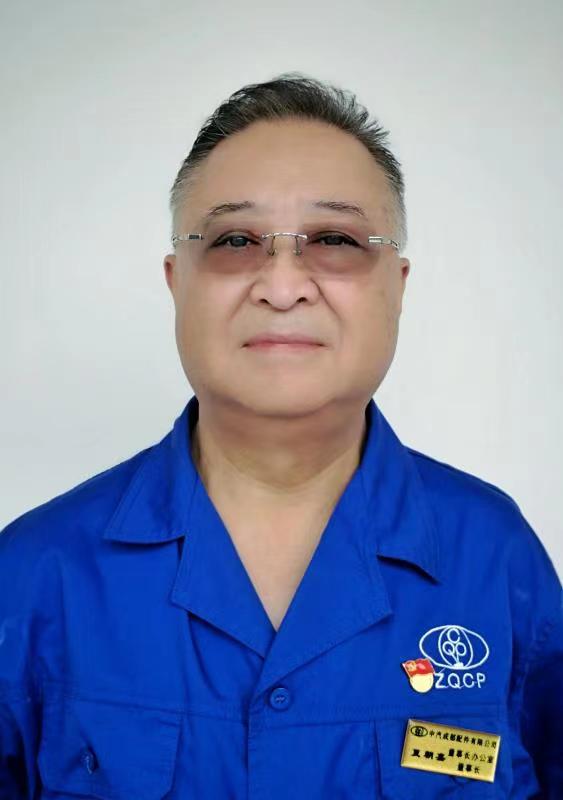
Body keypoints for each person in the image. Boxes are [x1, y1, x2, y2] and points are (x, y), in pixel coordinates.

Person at [0, 72, 561, 799]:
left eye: (334, 239)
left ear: (398, 284)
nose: (283, 285)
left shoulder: (494, 559)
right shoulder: (36, 574)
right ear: (177, 282)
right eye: (235, 240)